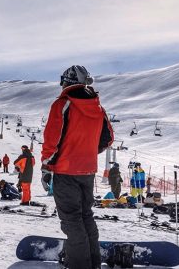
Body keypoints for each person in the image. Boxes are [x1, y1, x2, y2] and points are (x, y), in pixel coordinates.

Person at [41, 65, 114, 269]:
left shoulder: (63, 104)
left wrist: (46, 167)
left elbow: (52, 140)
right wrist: (87, 151)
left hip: (66, 171)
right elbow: (108, 139)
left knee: (72, 221)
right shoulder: (98, 108)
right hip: (88, 171)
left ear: (67, 81)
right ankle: (93, 263)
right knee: (86, 216)